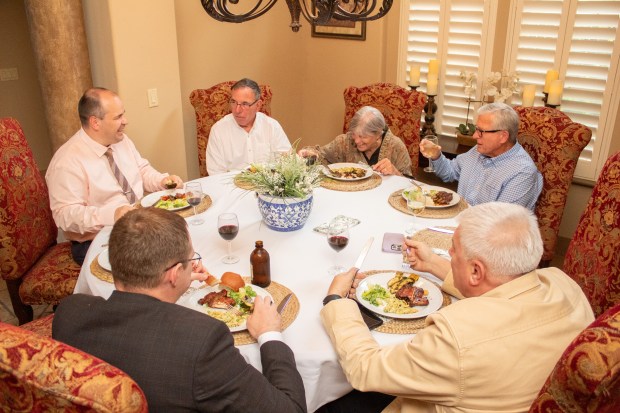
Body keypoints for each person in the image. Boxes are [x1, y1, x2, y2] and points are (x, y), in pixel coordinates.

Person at [319, 202, 594, 413]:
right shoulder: (566, 286)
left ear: (476, 271)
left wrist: (336, 301)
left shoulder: (456, 337)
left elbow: (365, 369)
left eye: (453, 251)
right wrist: (434, 265)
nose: (449, 255)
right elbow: (498, 288)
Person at [52, 207, 307, 412]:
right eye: (191, 259)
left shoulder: (70, 312)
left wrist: (179, 286)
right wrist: (269, 334)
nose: (193, 264)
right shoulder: (202, 343)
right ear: (173, 273)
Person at [45, 87, 183, 265]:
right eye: (118, 117)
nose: (125, 121)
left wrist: (162, 181)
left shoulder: (121, 140)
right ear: (95, 122)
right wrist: (112, 214)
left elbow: (141, 170)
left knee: (185, 234)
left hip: (139, 226)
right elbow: (65, 216)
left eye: (123, 115)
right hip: (97, 240)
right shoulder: (67, 161)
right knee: (165, 262)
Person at [420, 102, 542, 211]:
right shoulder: (479, 150)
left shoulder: (522, 172)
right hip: (461, 222)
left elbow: (501, 223)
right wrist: (436, 156)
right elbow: (449, 172)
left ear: (503, 136)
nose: (474, 136)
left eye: (481, 131)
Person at [206, 78, 291, 174]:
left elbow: (286, 163)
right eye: (233, 102)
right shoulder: (218, 130)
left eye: (245, 104)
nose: (237, 110)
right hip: (231, 187)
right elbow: (215, 174)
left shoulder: (272, 126)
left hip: (267, 186)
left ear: (258, 105)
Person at [310, 106, 412, 176]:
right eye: (355, 134)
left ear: (378, 134)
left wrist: (395, 173)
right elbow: (321, 155)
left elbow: (410, 186)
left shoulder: (396, 146)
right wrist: (310, 154)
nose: (357, 141)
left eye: (363, 136)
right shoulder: (345, 141)